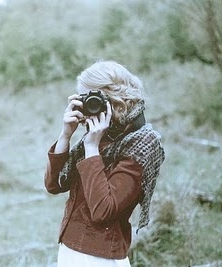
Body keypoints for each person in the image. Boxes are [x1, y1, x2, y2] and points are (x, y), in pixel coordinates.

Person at [44, 60, 165, 267]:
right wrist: (66, 135)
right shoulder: (100, 132)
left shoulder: (141, 142)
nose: (89, 106)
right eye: (83, 99)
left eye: (93, 98)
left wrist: (92, 148)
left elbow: (103, 210)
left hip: (100, 257)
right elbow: (54, 184)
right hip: (70, 249)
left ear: (114, 99)